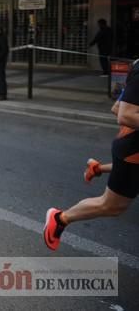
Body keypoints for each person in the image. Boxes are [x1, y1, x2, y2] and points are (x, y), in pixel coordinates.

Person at [44, 60, 139, 251]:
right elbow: (125, 114)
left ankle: (97, 168)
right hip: (133, 152)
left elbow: (116, 107)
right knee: (112, 206)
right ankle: (60, 218)